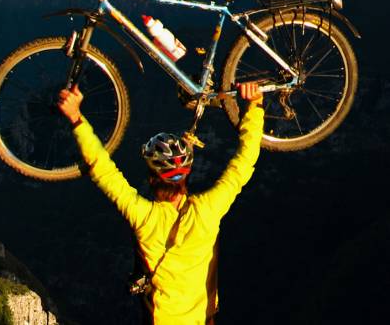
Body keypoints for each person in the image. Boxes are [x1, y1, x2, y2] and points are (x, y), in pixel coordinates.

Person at [57, 82, 264, 324]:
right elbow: (244, 161)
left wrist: (76, 117)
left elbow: (102, 170)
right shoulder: (209, 209)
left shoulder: (144, 217)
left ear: (151, 178)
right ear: (186, 175)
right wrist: (255, 105)